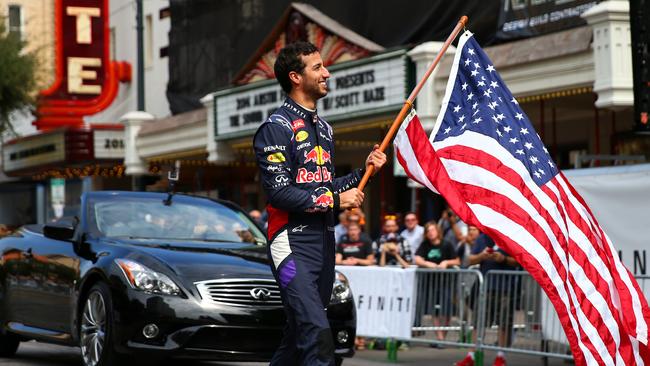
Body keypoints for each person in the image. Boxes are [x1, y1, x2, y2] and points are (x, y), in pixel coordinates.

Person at [253, 41, 386, 366]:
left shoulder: (325, 129)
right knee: (317, 334)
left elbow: (325, 185)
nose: (327, 72)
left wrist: (364, 171)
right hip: (290, 242)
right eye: (318, 67)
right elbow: (280, 193)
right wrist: (336, 199)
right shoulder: (275, 128)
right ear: (295, 77)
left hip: (324, 242)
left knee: (298, 337)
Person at [456, 232, 519, 366]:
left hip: (506, 288)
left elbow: (518, 261)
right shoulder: (482, 238)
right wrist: (482, 256)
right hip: (485, 287)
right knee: (478, 323)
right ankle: (471, 356)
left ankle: (500, 356)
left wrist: (503, 259)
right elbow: (470, 260)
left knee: (503, 324)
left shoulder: (509, 236)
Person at [414, 222, 459, 343]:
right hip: (431, 282)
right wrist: (427, 263)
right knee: (434, 310)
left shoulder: (447, 244)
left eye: (432, 230)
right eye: (428, 231)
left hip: (447, 281)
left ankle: (443, 337)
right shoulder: (425, 244)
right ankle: (439, 337)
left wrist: (447, 263)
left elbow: (457, 260)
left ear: (437, 231)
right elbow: (417, 258)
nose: (430, 233)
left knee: (446, 310)